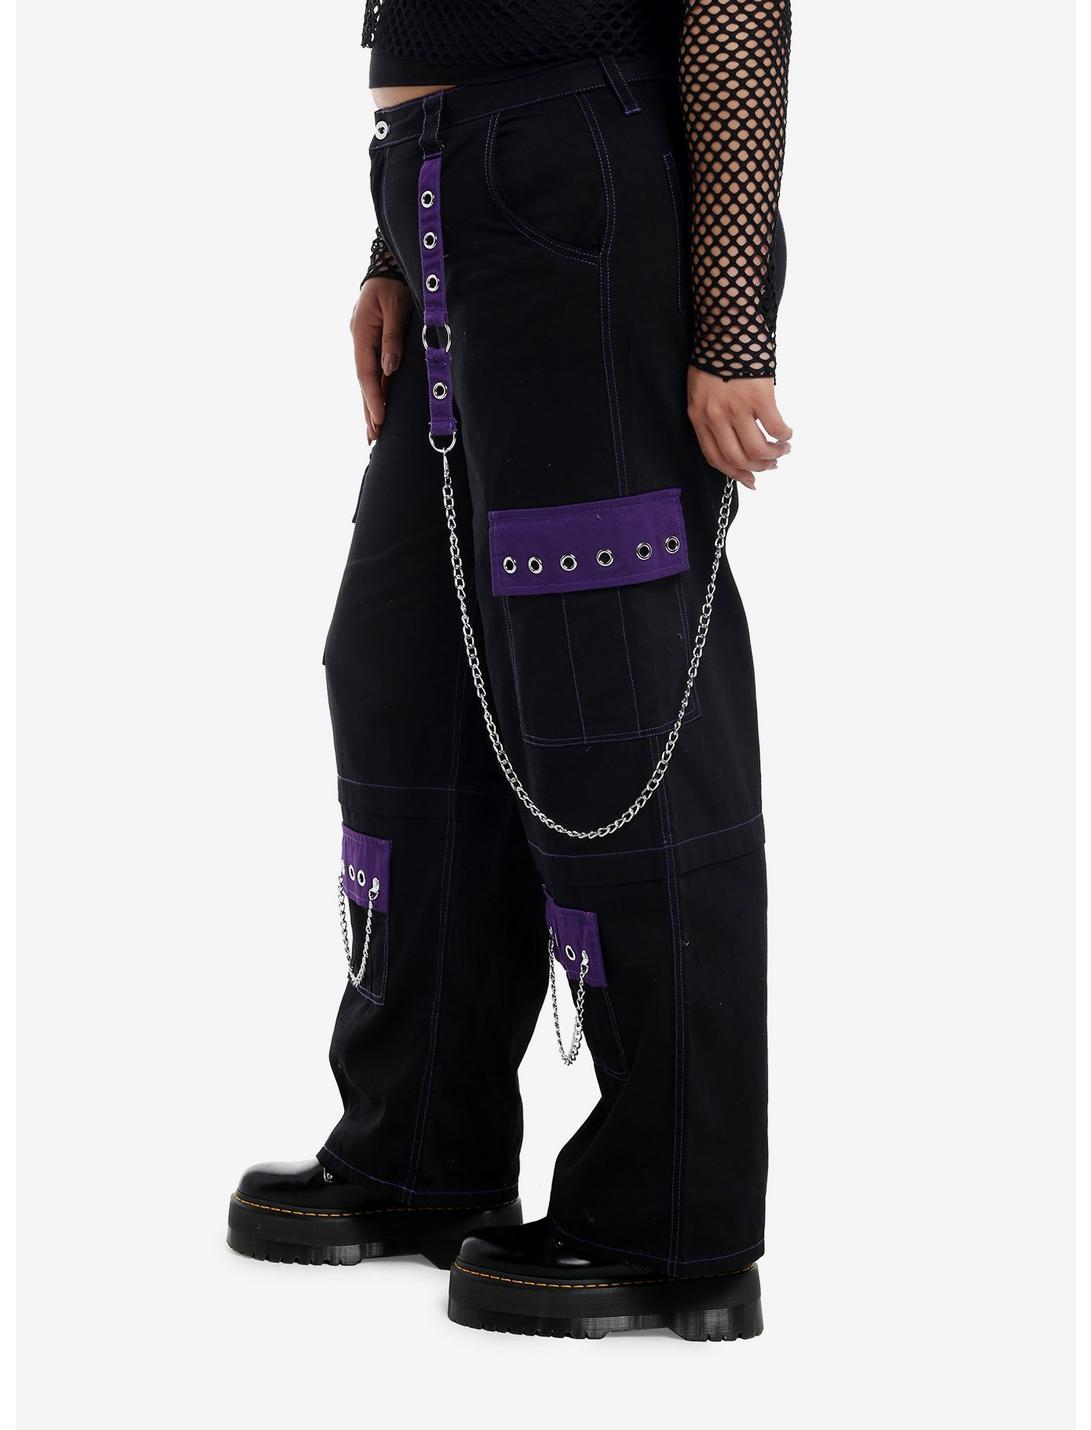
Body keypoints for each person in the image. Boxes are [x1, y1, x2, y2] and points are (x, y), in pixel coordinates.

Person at [227, 0, 792, 1342]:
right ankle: (422, 1147)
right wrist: (394, 241)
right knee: (405, 668)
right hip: (443, 186)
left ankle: (675, 1225)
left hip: (575, 182)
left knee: (611, 692)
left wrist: (731, 325)